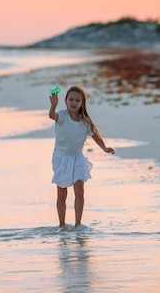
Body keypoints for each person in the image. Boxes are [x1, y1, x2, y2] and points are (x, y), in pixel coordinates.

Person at [49, 85, 115, 228]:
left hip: (77, 158)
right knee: (62, 194)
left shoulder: (85, 121)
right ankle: (62, 226)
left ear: (82, 103)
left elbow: (95, 136)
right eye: (71, 99)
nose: (74, 102)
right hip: (61, 158)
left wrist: (104, 148)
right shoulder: (62, 115)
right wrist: (53, 105)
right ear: (65, 101)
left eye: (77, 100)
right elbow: (52, 116)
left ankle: (78, 224)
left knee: (79, 191)